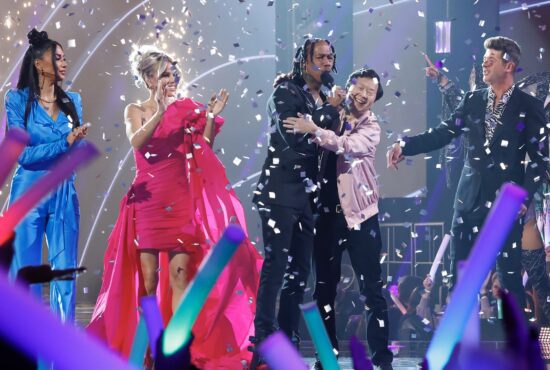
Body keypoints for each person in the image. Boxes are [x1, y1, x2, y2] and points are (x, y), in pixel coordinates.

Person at [87, 45, 262, 369]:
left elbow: (204, 148)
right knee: (149, 282)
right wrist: (161, 110)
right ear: (149, 78)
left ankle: (176, 351)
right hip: (149, 200)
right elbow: (137, 141)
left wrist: (209, 116)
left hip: (179, 199)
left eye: (173, 72)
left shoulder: (186, 109)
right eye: (165, 73)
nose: (172, 78)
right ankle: (151, 348)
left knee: (181, 274)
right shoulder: (135, 109)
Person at [388, 36, 548, 312]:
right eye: (484, 59)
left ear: (509, 65)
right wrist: (406, 145)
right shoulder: (472, 100)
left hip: (506, 204)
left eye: (491, 59)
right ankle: (459, 349)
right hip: (468, 199)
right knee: (459, 279)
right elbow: (444, 132)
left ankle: (518, 352)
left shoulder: (528, 106)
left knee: (508, 280)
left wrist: (522, 198)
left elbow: (539, 161)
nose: (484, 64)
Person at [425, 55, 550, 324]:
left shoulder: (531, 110)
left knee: (536, 281)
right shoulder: (483, 105)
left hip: (533, 193)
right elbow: (463, 110)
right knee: (527, 276)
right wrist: (443, 83)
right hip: (508, 196)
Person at [283, 68, 394, 370]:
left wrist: (314, 130)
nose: (362, 94)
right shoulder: (329, 114)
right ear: (348, 87)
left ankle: (383, 361)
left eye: (370, 92)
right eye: (358, 87)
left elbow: (347, 146)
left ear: (374, 99)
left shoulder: (371, 127)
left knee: (372, 290)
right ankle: (325, 358)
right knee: (323, 291)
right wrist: (321, 117)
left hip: (361, 217)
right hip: (326, 218)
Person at [250, 37, 344, 366]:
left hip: (307, 196)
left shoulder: (324, 98)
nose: (327, 62)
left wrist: (327, 115)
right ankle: (262, 341)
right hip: (279, 190)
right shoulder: (286, 91)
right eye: (320, 56)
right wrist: (328, 111)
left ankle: (288, 338)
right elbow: (294, 136)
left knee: (299, 272)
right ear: (304, 61)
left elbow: (320, 140)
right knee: (276, 267)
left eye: (331, 56)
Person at [5, 28, 87, 324]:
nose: (64, 63)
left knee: (65, 274)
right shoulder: (16, 101)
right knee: (25, 276)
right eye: (58, 58)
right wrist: (64, 143)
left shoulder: (73, 101)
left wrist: (73, 146)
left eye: (65, 58)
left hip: (63, 194)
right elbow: (23, 155)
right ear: (39, 64)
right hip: (28, 194)